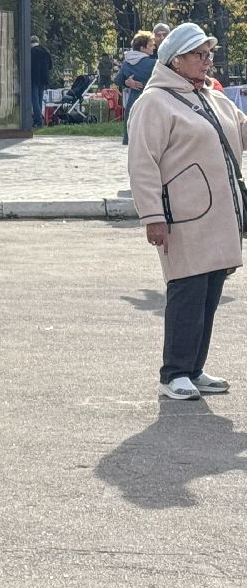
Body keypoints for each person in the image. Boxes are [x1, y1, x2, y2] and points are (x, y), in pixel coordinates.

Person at [127, 23, 247, 400]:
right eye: (199, 55)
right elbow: (142, 164)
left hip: (219, 215)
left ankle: (194, 369)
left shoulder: (211, 97)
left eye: (209, 54)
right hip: (182, 217)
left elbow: (240, 132)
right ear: (175, 59)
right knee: (186, 290)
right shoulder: (154, 102)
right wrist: (152, 217)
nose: (207, 61)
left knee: (209, 292)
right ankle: (173, 373)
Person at [114, 31, 155, 145]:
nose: (154, 47)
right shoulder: (153, 64)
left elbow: (117, 80)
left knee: (132, 139)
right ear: (142, 48)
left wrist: (127, 83)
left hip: (132, 102)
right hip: (149, 102)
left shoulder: (127, 63)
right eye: (151, 45)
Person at [30, 35, 53, 128]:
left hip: (34, 78)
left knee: (34, 99)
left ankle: (38, 120)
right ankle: (38, 120)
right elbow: (50, 66)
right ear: (38, 42)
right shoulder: (46, 51)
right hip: (44, 78)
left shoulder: (31, 51)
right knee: (39, 99)